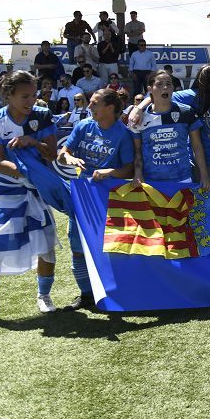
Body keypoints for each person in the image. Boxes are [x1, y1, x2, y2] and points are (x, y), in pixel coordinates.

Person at [0, 71, 59, 326]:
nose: (31, 100)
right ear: (8, 95)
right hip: (2, 191)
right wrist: (27, 173)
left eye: (34, 94)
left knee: (47, 246)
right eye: (25, 96)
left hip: (34, 189)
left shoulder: (42, 115)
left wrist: (31, 142)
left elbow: (52, 154)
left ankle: (44, 296)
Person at [56, 88, 134, 310]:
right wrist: (69, 158)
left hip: (111, 198)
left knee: (111, 246)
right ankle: (85, 295)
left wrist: (109, 172)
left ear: (110, 108)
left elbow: (129, 168)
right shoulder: (83, 126)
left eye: (94, 103)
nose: (88, 107)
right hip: (83, 196)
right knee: (77, 246)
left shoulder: (123, 134)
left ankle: (115, 290)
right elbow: (62, 153)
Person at [131, 70, 210, 190]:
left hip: (183, 178)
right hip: (151, 181)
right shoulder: (139, 119)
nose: (165, 87)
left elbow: (197, 146)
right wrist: (137, 173)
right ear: (150, 89)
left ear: (173, 87)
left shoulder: (186, 112)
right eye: (159, 84)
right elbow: (137, 151)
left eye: (169, 84)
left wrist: (204, 175)